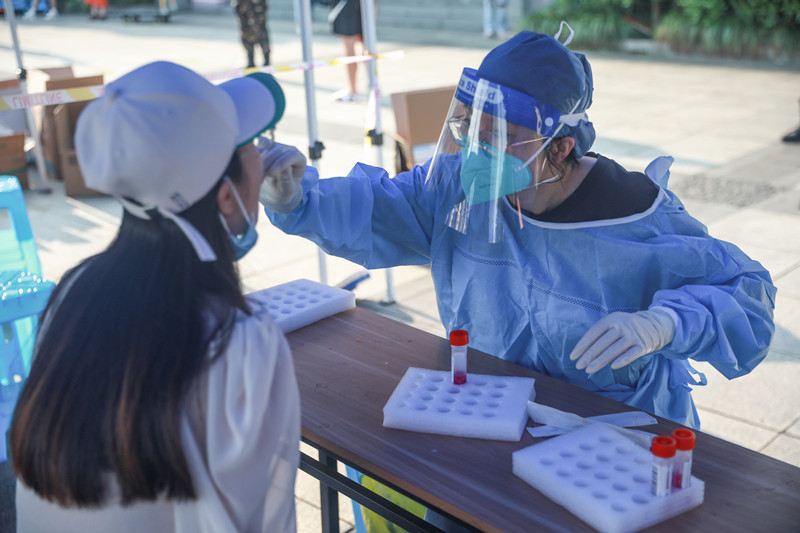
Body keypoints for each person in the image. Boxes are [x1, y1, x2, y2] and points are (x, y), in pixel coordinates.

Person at [257, 28, 777, 431]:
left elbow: (746, 294)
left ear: (561, 147)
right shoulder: (455, 189)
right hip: (489, 412)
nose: (475, 150)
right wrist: (299, 199)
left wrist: (664, 323)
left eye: (499, 136)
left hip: (616, 433)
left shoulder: (634, 213)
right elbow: (376, 209)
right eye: (471, 128)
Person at [10, 61, 300, 532]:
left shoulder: (75, 291)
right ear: (226, 198)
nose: (265, 154)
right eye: (253, 145)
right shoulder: (240, 344)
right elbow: (262, 521)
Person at [329, 0, 365, 102]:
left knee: (349, 44)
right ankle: (372, 85)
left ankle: (353, 90)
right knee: (362, 42)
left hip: (346, 4)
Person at [233, 0, 271, 68]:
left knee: (263, 41)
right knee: (248, 42)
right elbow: (237, 8)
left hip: (258, 21)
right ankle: (251, 63)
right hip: (246, 22)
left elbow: (264, 7)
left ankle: (267, 63)